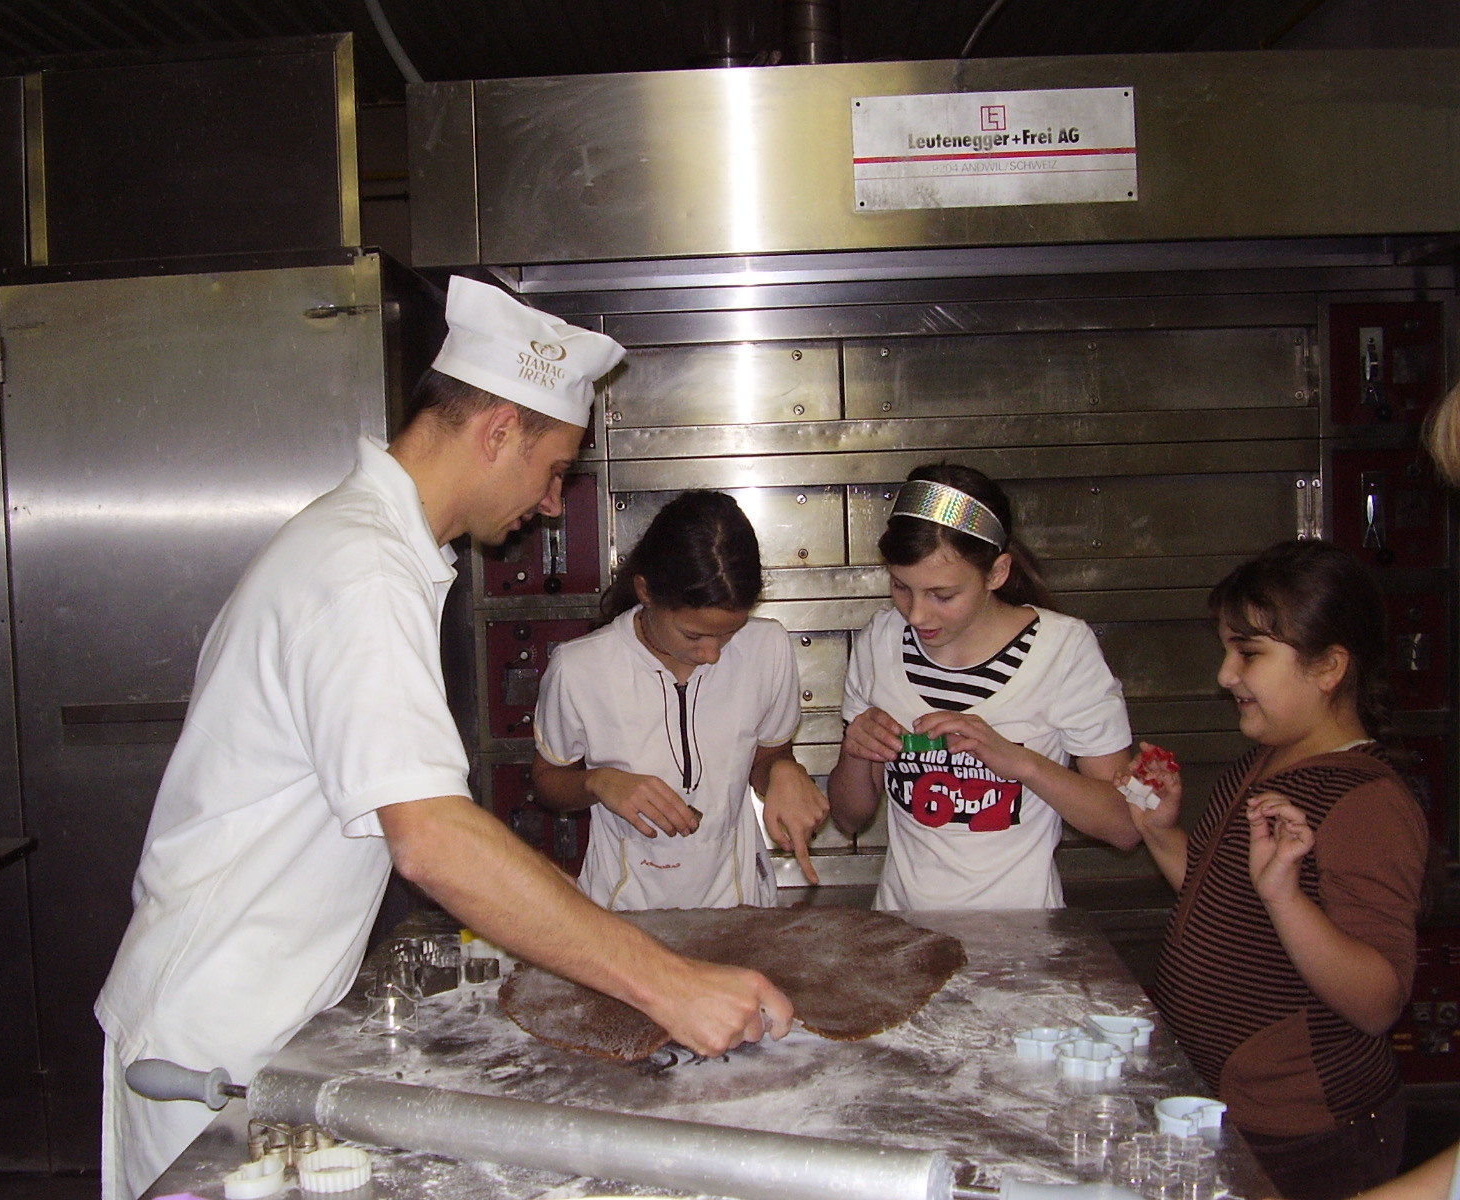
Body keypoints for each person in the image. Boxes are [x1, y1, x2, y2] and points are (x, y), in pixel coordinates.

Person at [94, 277, 794, 1199]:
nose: (554, 504)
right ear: (499, 429)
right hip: (213, 1041)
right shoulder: (360, 571)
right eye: (555, 470)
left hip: (262, 1018)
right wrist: (669, 984)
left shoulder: (375, 552)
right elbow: (431, 837)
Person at [1130, 539, 1428, 1200]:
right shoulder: (1264, 761)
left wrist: (1285, 897)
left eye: (1249, 654)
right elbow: (1224, 902)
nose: (1225, 675)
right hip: (1225, 1109)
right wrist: (1160, 833)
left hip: (1308, 1137)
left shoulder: (1366, 802)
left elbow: (1378, 1000)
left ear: (1328, 668)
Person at [826, 463, 1139, 910]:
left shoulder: (1063, 650)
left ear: (996, 573)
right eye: (901, 587)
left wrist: (1021, 763)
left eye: (943, 595)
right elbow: (849, 818)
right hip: (902, 926)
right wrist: (857, 752)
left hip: (1022, 930)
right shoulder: (880, 641)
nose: (916, 614)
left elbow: (1124, 826)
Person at [531, 490, 830, 908]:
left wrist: (784, 773)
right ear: (646, 592)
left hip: (739, 904)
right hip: (623, 909)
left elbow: (769, 755)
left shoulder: (767, 647)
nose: (712, 654)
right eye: (693, 635)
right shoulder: (581, 667)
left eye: (729, 633)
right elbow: (547, 781)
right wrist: (597, 781)